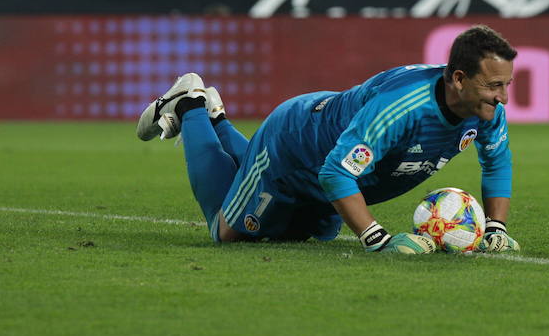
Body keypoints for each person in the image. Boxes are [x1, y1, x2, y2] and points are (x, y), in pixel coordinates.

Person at [135, 25, 522, 255]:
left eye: (506, 85)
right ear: (458, 79)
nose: (502, 97)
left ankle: (218, 119)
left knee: (295, 237)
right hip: (293, 147)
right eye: (493, 85)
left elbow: (497, 161)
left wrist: (496, 228)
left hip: (329, 175)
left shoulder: (486, 110)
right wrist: (379, 240)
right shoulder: (402, 108)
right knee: (230, 231)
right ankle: (190, 105)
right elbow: (337, 172)